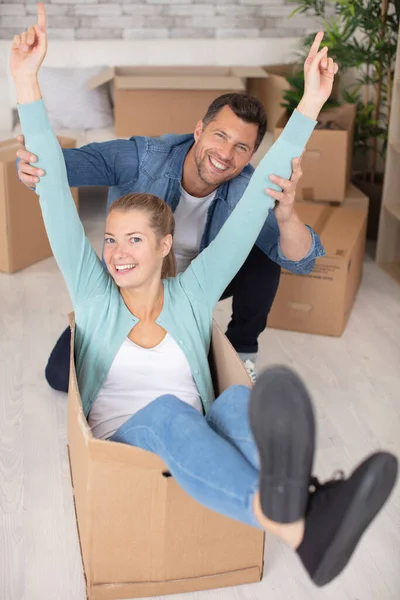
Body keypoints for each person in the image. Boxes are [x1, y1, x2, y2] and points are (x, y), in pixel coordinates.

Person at [11, 4, 397, 588]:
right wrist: (26, 83)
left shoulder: (192, 295)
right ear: (199, 130)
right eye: (112, 239)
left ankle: (309, 505)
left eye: (134, 240)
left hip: (192, 423)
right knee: (168, 412)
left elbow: (258, 204)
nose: (117, 251)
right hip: (129, 426)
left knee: (239, 402)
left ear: (167, 246)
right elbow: (55, 198)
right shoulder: (94, 295)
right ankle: (300, 527)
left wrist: (313, 104)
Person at [16, 67, 325, 392]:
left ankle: (241, 349)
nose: (225, 154)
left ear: (251, 155)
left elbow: (301, 261)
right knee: (60, 376)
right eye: (220, 136)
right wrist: (36, 169)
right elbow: (58, 170)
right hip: (132, 284)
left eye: (240, 148)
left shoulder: (245, 190)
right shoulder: (143, 158)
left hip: (194, 291)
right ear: (199, 130)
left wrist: (288, 216)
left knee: (265, 253)